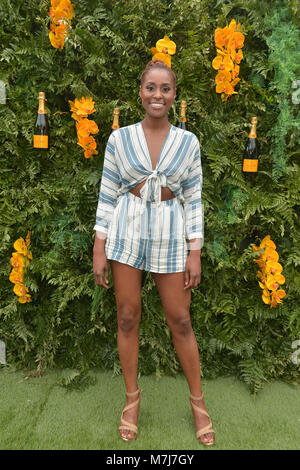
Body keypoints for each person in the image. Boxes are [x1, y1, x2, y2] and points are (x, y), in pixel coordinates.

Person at [93, 59, 215, 446]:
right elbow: (108, 192)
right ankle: (132, 399)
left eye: (165, 88)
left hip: (170, 233)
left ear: (174, 94)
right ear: (140, 91)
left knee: (180, 319)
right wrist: (100, 245)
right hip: (126, 232)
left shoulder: (188, 142)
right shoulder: (120, 139)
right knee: (128, 316)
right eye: (151, 87)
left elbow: (193, 198)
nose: (157, 95)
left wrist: (194, 250)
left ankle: (197, 402)